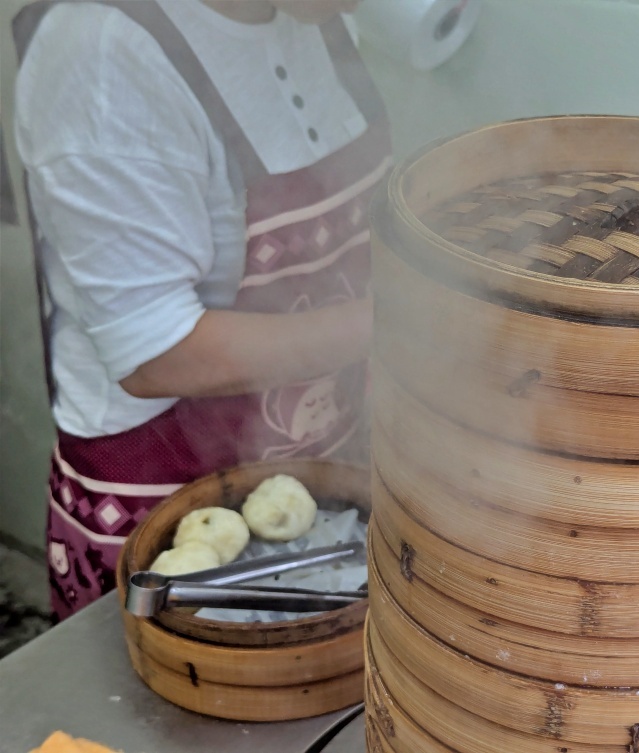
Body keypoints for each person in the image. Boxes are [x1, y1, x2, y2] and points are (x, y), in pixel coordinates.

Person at [13, 0, 391, 620]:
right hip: (161, 507)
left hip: (320, 472)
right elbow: (158, 353)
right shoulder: (104, 55)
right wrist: (404, 322)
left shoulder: (312, 18)